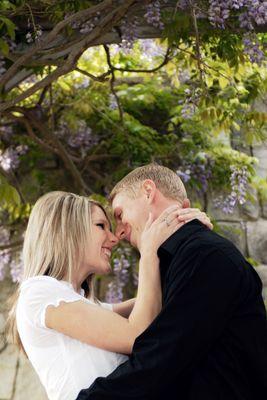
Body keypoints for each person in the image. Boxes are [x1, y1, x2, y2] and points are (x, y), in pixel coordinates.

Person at [77, 163, 267, 400]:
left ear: (148, 191)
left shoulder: (205, 255)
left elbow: (159, 359)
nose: (119, 234)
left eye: (119, 214)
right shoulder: (180, 260)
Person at [6, 190, 210, 400]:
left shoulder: (82, 302)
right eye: (101, 226)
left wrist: (184, 229)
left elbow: (153, 302)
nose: (114, 239)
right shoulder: (40, 292)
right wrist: (149, 252)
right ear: (67, 230)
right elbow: (137, 335)